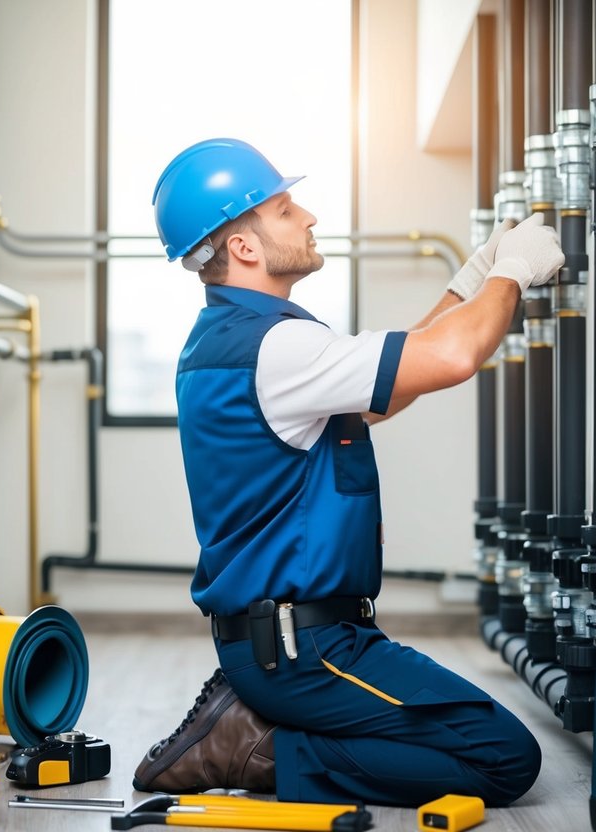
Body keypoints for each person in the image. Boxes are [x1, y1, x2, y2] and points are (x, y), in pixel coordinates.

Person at [132, 138, 562, 808]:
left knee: (464, 741)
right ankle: (256, 745)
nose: (306, 216)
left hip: (297, 639)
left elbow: (385, 388)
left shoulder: (236, 340)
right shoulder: (275, 346)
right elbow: (450, 357)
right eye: (282, 209)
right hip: (305, 650)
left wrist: (470, 281)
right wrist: (512, 272)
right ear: (244, 247)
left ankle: (259, 726)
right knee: (503, 759)